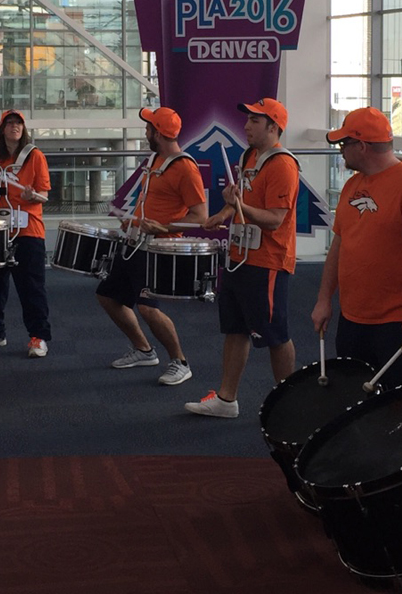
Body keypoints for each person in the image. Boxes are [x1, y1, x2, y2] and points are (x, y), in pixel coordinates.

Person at [311, 107, 402, 389]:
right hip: (354, 319)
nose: (341, 151)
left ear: (361, 146)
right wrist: (324, 299)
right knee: (356, 396)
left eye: (343, 144)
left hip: (399, 323)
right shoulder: (353, 185)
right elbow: (340, 243)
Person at [185, 98, 299, 419]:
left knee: (275, 335)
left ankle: (289, 403)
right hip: (239, 257)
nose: (246, 126)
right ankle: (226, 398)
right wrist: (223, 212)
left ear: (274, 127)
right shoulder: (250, 156)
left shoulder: (283, 165)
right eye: (247, 120)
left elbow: (275, 219)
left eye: (254, 121)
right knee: (235, 329)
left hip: (268, 262)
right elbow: (241, 198)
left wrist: (238, 207)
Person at [96, 107, 207, 385]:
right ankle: (144, 350)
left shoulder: (184, 167)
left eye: (148, 129)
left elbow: (200, 216)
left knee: (147, 307)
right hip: (137, 243)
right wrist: (133, 221)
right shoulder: (156, 160)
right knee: (108, 296)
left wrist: (162, 228)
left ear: (158, 133)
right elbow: (152, 204)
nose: (145, 133)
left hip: (159, 250)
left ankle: (180, 362)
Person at [0, 110, 52, 357]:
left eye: (18, 123)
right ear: (2, 128)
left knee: (31, 286)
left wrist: (31, 195)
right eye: (10, 123)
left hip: (27, 229)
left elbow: (44, 195)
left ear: (23, 129)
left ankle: (38, 338)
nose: (14, 127)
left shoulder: (35, 156)